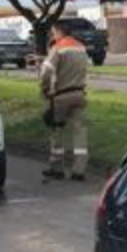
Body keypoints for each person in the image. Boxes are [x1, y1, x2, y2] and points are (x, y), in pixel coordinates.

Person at [39, 18, 90, 180]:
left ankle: (56, 168)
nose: (52, 34)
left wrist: (45, 90)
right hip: (79, 95)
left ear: (59, 31)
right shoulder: (81, 48)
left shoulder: (58, 48)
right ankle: (79, 170)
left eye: (53, 32)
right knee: (79, 132)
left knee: (57, 130)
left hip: (61, 96)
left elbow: (45, 73)